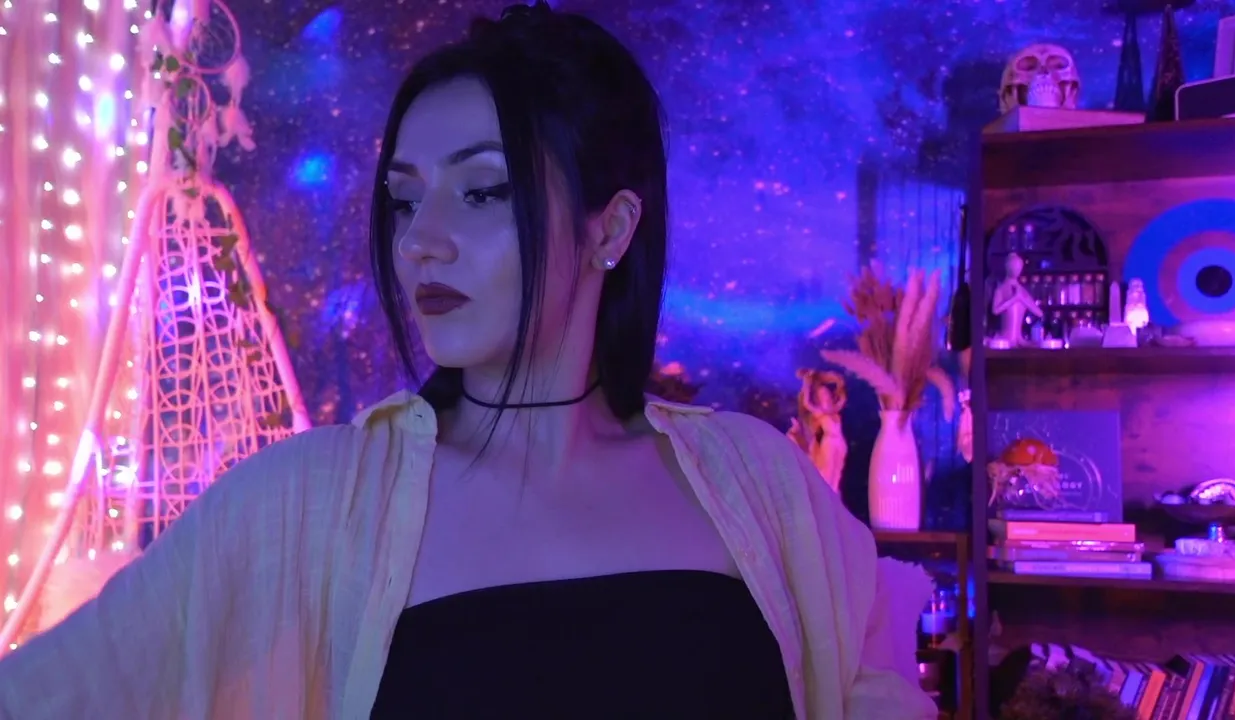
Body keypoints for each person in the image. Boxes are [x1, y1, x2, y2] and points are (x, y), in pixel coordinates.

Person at [0, 3, 937, 718]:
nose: (421, 242)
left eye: (482, 192)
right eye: (406, 200)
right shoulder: (305, 505)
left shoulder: (764, 488)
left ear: (611, 228)